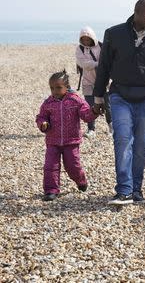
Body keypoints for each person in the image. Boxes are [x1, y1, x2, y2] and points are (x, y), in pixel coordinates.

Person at [93, 0, 145, 205]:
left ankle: (136, 189)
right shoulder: (114, 34)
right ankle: (124, 190)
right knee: (122, 140)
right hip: (119, 96)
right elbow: (103, 66)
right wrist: (97, 97)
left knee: (141, 145)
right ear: (137, 13)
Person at [36, 71, 98, 201]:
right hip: (53, 141)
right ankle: (51, 190)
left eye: (58, 87)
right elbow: (41, 117)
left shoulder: (75, 100)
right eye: (52, 88)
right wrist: (43, 124)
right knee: (50, 166)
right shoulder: (48, 103)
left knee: (72, 166)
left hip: (71, 141)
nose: (55, 91)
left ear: (67, 86)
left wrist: (94, 111)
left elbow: (86, 115)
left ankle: (80, 180)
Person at [75, 26, 112, 138]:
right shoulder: (79, 49)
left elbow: (107, 61)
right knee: (90, 106)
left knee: (107, 104)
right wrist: (97, 64)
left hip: (104, 82)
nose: (86, 41)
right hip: (88, 82)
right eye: (83, 39)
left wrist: (94, 64)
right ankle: (91, 129)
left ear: (92, 38)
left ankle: (111, 127)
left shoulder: (101, 46)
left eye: (88, 38)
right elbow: (83, 63)